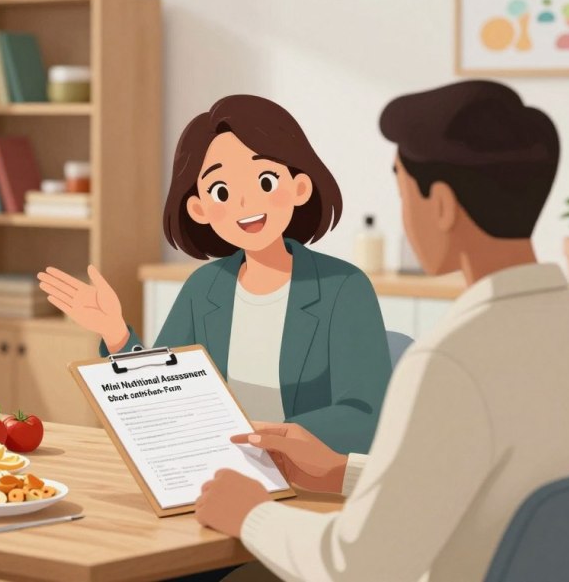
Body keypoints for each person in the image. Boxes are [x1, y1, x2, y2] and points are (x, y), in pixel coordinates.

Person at [195, 80, 569, 582]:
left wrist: (250, 514)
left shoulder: (450, 361)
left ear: (443, 206)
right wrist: (342, 472)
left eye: (403, 190)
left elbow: (358, 565)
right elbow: (490, 489)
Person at [39, 95, 392, 454]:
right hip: (214, 463)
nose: (244, 203)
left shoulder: (344, 288)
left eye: (265, 181)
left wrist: (264, 436)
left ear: (300, 187)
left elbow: (365, 416)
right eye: (221, 191)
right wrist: (114, 333)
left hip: (306, 478)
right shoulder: (204, 287)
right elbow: (163, 395)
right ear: (199, 209)